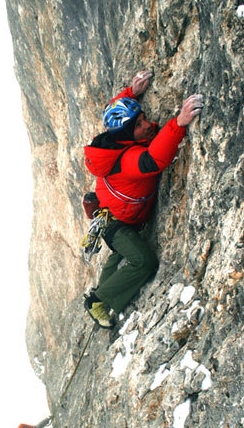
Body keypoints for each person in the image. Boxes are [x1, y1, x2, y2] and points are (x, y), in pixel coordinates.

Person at [83, 70, 204, 328]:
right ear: (128, 135)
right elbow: (154, 159)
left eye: (143, 119)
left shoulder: (112, 139)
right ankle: (97, 301)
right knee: (144, 261)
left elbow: (112, 114)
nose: (147, 124)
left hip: (115, 217)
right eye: (139, 125)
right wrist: (179, 122)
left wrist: (131, 93)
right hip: (118, 224)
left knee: (118, 258)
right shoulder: (127, 160)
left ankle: (101, 295)